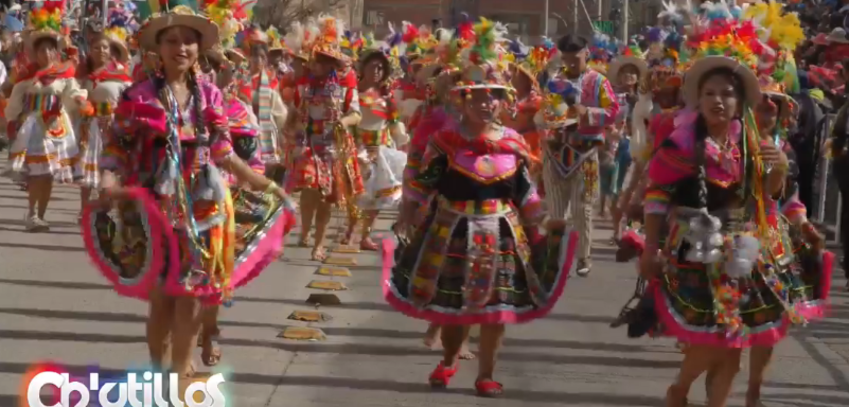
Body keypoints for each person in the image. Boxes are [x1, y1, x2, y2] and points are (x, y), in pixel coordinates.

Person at [91, 2, 294, 395]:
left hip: (204, 207)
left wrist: (267, 185)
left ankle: (177, 377)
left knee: (194, 298)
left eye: (188, 41)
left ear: (199, 49)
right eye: (172, 41)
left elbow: (224, 153)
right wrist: (106, 181)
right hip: (153, 205)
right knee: (162, 301)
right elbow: (115, 147)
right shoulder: (138, 95)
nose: (180, 48)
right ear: (158, 49)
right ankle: (156, 369)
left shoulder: (212, 96)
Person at [643, 12, 829, 406]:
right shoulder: (681, 144)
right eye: (710, 93)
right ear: (698, 97)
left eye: (727, 94)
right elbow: (657, 195)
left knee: (734, 342)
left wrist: (776, 169)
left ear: (741, 101)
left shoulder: (754, 142)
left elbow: (770, 197)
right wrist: (650, 249)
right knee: (715, 339)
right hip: (694, 251)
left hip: (746, 251)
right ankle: (680, 387)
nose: (718, 101)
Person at [386, 18, 573, 397]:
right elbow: (424, 185)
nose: (487, 103)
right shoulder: (446, 141)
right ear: (462, 99)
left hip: (503, 235)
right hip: (451, 233)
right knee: (456, 313)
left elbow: (525, 194)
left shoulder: (514, 143)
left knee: (496, 312)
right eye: (478, 95)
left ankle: (486, 374)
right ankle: (450, 358)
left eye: (494, 96)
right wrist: (410, 211)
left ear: (503, 102)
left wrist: (545, 223)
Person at [541, 34, 620, 277]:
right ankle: (554, 257)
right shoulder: (555, 81)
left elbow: (613, 111)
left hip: (585, 152)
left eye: (576, 57)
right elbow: (545, 109)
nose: (572, 62)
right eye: (567, 58)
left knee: (582, 208)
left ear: (586, 53)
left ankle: (583, 256)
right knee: (555, 210)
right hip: (555, 151)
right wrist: (550, 122)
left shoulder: (598, 82)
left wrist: (587, 113)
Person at [285, 14, 364, 261]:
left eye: (324, 61)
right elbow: (294, 115)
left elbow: (356, 115)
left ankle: (318, 243)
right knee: (310, 189)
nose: (317, 65)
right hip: (309, 144)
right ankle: (305, 229)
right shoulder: (303, 86)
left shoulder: (344, 87)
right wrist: (291, 130)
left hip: (334, 146)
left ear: (332, 64)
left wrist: (342, 122)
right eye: (316, 61)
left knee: (327, 198)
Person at [5, 3, 88, 231]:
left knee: (49, 174)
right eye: (42, 50)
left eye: (51, 50)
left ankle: (41, 215)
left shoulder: (64, 75)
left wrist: (82, 101)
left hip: (57, 126)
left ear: (56, 51)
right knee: (36, 174)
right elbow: (14, 101)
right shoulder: (27, 75)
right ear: (36, 53)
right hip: (33, 128)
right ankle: (31, 213)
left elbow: (74, 92)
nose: (47, 54)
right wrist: (11, 121)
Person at [347, 41, 408, 250]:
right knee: (355, 194)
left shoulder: (386, 96)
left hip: (380, 150)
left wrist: (401, 143)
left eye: (381, 68)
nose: (377, 71)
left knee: (376, 196)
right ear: (363, 68)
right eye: (373, 66)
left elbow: (393, 123)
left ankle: (365, 235)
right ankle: (350, 230)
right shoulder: (353, 91)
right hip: (357, 148)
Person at [75, 11, 133, 222]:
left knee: (106, 169)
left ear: (111, 51)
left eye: (104, 47)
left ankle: (100, 210)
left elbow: (129, 100)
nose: (100, 51)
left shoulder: (122, 75)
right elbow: (78, 97)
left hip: (113, 126)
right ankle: (83, 209)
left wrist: (117, 116)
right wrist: (83, 107)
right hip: (91, 126)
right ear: (90, 51)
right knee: (87, 170)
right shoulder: (84, 76)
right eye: (96, 47)